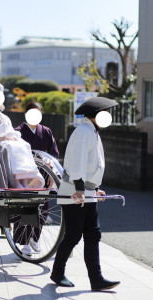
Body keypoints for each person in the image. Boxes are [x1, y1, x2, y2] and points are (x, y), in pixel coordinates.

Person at [50, 97, 120, 291]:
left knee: (93, 234)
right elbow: (77, 162)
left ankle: (96, 279)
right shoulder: (83, 132)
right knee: (73, 235)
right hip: (75, 193)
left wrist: (95, 189)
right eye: (106, 113)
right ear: (96, 115)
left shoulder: (92, 132)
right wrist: (81, 188)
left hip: (86, 192)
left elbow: (92, 166)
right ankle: (57, 272)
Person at [0, 75, 44, 190]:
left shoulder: (2, 116)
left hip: (5, 141)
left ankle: (24, 180)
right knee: (10, 146)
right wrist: (2, 138)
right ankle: (15, 181)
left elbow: (11, 131)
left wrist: (12, 137)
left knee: (24, 144)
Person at [12, 101, 60, 255]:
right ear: (26, 114)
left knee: (44, 209)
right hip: (26, 174)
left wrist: (52, 173)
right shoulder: (17, 131)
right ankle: (24, 242)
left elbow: (54, 154)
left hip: (43, 173)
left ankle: (35, 237)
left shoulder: (46, 131)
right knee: (26, 208)